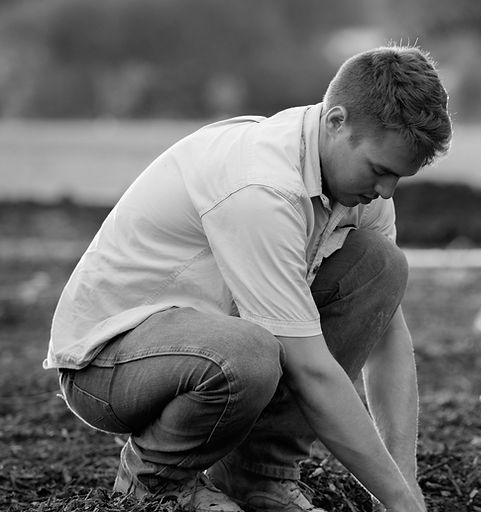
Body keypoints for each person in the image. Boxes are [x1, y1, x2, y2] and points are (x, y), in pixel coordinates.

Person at [45, 45, 451, 512]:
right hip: (107, 363)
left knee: (380, 266)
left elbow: (386, 333)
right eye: (380, 170)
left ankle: (258, 476)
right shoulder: (261, 187)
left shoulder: (361, 188)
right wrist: (400, 503)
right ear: (336, 122)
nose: (386, 190)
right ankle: (154, 484)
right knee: (249, 353)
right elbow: (310, 370)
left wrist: (405, 485)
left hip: (211, 342)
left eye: (398, 177)